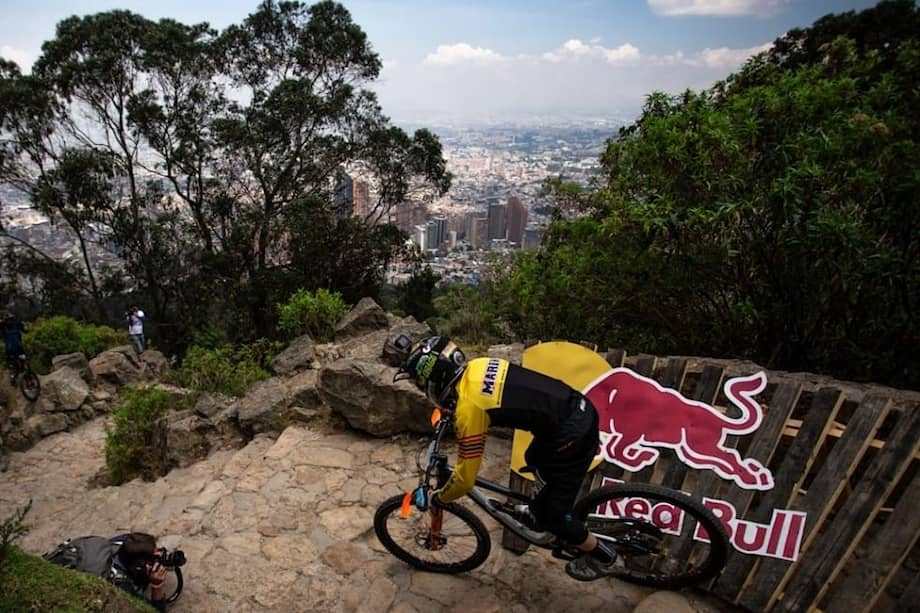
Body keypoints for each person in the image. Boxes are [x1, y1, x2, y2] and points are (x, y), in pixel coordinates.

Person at [393, 335, 619, 581]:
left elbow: (465, 480)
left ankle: (606, 558)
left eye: (420, 383)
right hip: (574, 408)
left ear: (433, 380)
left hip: (572, 435)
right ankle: (541, 506)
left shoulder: (471, 410)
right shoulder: (479, 365)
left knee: (553, 517)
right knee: (534, 457)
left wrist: (439, 497)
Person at [43, 532, 169, 611]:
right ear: (138, 567)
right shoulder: (121, 584)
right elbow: (152, 610)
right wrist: (156, 585)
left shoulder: (123, 541)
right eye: (151, 560)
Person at [2, 311, 26, 384]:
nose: (9, 321)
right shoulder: (4, 327)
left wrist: (23, 326)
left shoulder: (16, 325)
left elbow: (25, 330)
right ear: (5, 321)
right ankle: (13, 376)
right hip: (10, 351)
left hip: (19, 349)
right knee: (12, 365)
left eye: (10, 319)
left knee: (23, 363)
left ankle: (22, 374)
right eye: (7, 320)